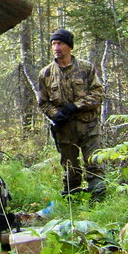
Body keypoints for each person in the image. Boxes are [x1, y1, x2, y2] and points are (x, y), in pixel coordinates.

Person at [38, 28, 106, 200]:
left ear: (69, 46)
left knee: (95, 164)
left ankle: (98, 203)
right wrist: (55, 114)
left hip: (88, 126)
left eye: (59, 43)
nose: (56, 47)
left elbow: (99, 95)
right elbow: (43, 103)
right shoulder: (46, 74)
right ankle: (72, 204)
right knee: (70, 169)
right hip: (65, 130)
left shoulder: (86, 68)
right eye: (53, 44)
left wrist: (75, 107)